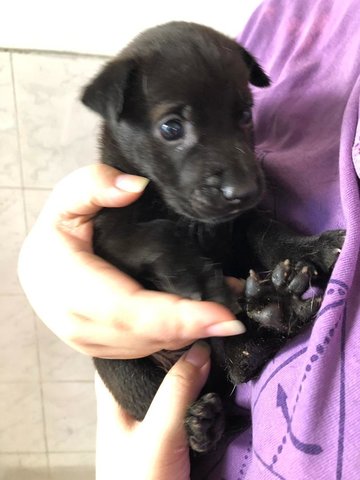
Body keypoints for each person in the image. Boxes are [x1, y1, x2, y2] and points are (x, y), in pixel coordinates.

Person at [19, 0, 360, 478]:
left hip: (245, 382)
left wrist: (294, 251)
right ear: (119, 116)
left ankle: (253, 341)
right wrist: (40, 267)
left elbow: (250, 229)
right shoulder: (117, 208)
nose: (240, 180)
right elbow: (109, 257)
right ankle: (201, 413)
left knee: (253, 229)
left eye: (241, 117)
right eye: (173, 127)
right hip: (165, 409)